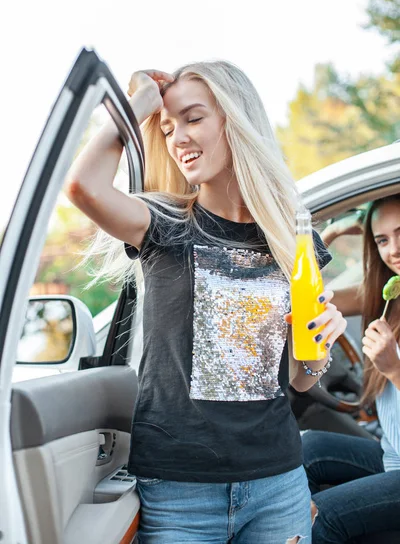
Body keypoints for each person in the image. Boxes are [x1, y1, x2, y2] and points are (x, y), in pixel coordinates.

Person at [66, 61, 346, 543]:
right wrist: (136, 109)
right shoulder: (164, 223)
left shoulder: (294, 239)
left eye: (193, 119)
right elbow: (83, 187)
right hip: (179, 491)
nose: (178, 139)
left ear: (235, 120)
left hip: (278, 482)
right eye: (169, 128)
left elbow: (301, 378)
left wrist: (320, 341)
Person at [302, 195, 400, 543]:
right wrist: (332, 232)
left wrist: (394, 371)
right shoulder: (389, 295)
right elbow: (311, 299)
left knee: (318, 517)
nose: (394, 251)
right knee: (305, 449)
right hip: (392, 456)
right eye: (382, 240)